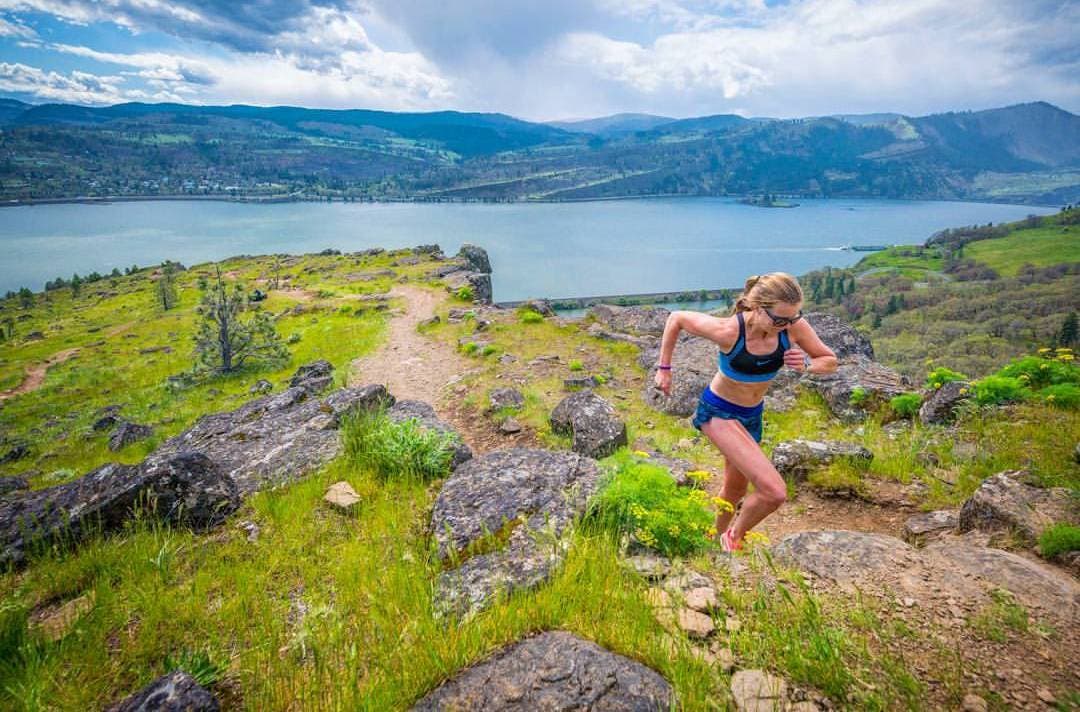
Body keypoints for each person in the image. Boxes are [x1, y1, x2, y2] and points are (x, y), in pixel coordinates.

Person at [653, 273, 837, 552]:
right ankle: (733, 537)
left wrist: (807, 364)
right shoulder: (729, 331)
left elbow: (830, 360)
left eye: (793, 318)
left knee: (735, 489)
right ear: (758, 309)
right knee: (774, 492)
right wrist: (664, 369)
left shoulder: (792, 327)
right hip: (719, 412)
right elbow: (676, 318)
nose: (786, 325)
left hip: (752, 416)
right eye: (779, 319)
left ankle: (713, 541)